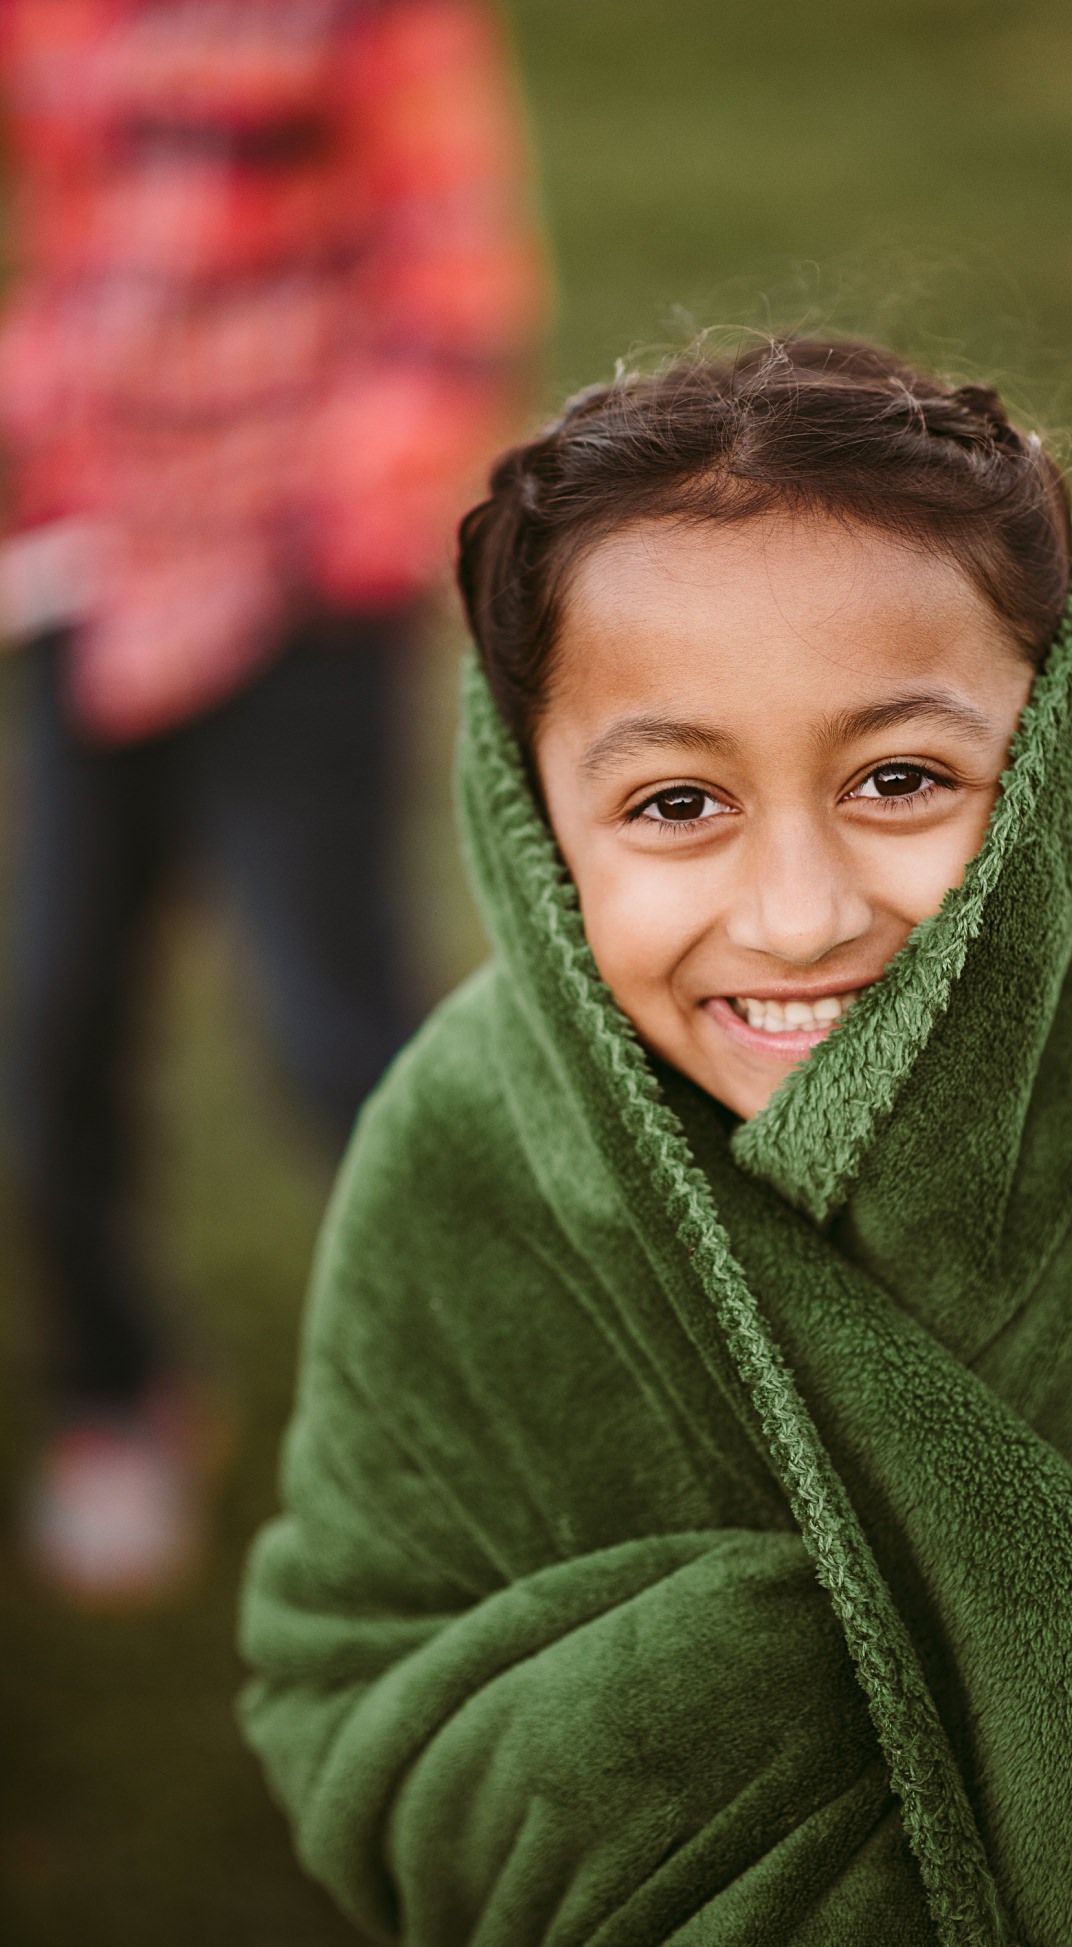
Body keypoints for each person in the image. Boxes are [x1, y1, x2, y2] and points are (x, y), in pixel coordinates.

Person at [238, 338, 1072, 1943]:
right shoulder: (468, 1152)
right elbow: (349, 1675)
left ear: (1061, 761)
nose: (800, 917)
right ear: (535, 823)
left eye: (900, 778)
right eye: (678, 805)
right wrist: (768, 1700)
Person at [0, 0, 545, 1607]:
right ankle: (118, 1389)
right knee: (55, 1025)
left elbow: (452, 294)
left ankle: (504, 1428)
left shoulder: (375, 20)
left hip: (298, 586)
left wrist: (337, 521)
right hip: (92, 568)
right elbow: (90, 246)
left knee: (336, 1036)